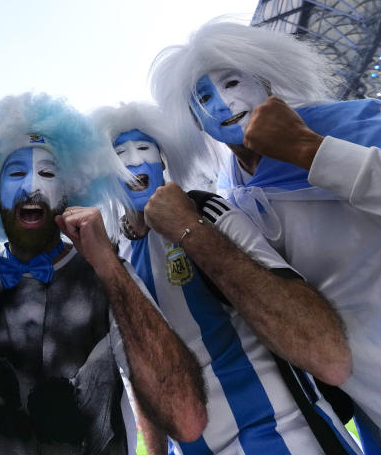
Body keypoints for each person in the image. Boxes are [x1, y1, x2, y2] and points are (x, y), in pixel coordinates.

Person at [150, 19, 381, 454]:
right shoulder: (230, 199)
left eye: (232, 81)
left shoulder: (347, 125)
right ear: (196, 124)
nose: (222, 102)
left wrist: (310, 149)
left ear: (267, 81)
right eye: (202, 98)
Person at [92, 101, 358, 454]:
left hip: (288, 437)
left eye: (143, 149)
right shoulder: (112, 256)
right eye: (119, 155)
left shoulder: (207, 211)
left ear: (164, 160)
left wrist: (189, 229)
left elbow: (323, 348)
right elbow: (142, 372)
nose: (133, 161)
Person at [0, 93, 208, 455]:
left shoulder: (108, 272)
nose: (31, 186)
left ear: (72, 190)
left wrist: (108, 267)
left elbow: (184, 415)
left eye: (48, 173)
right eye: (16, 173)